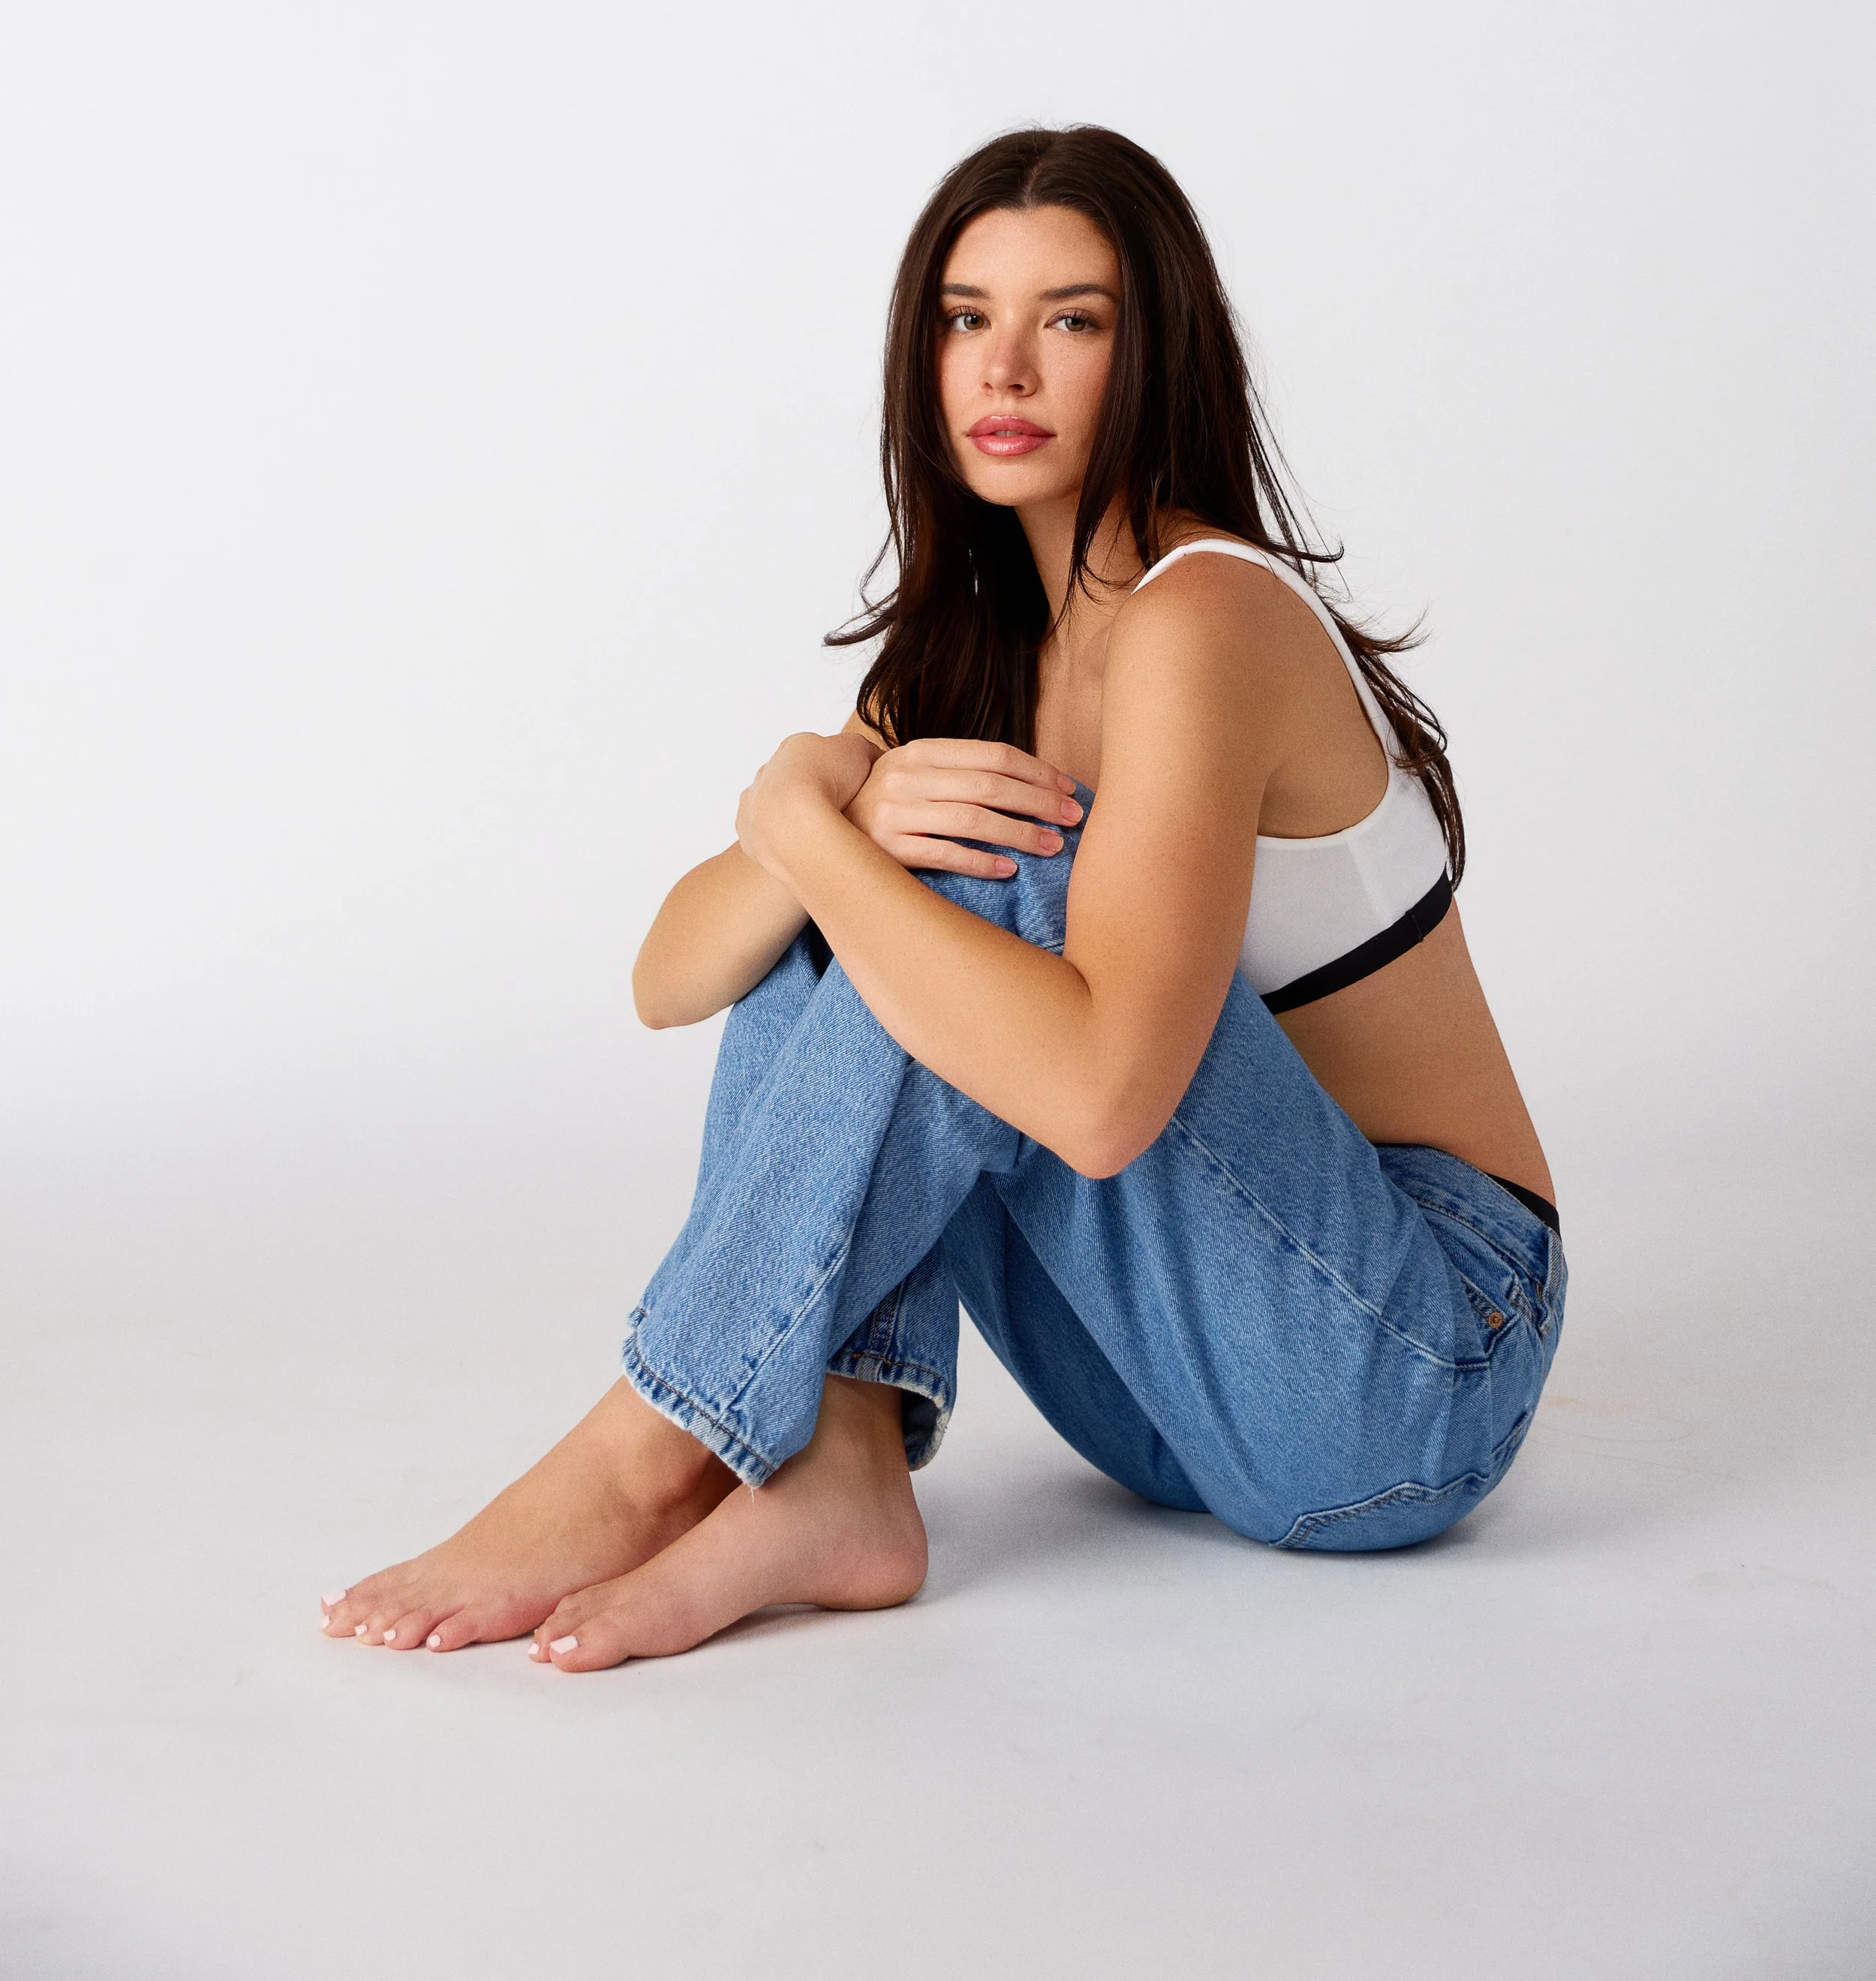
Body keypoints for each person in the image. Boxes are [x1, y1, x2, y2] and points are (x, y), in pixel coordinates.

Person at [320, 125, 1562, 1673]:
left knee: (961, 869)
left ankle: (645, 1452)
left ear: (1155, 351)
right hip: (1160, 1403)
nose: (1007, 372)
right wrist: (799, 823)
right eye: (966, 319)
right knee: (854, 889)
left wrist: (828, 832)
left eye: (1072, 320)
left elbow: (1104, 1107)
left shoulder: (1205, 618)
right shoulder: (969, 654)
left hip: (1415, 1362)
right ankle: (839, 1462)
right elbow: (669, 977)